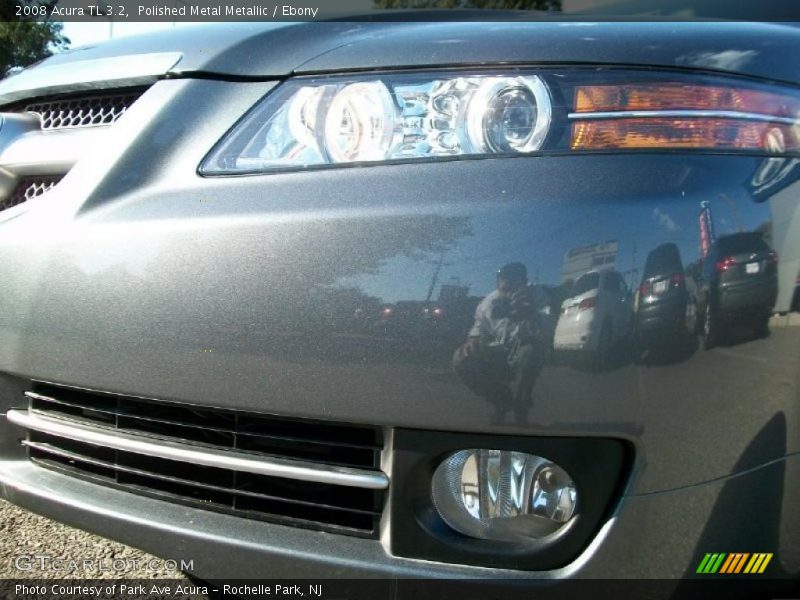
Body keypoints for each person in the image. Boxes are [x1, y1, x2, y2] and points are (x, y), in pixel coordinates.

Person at [453, 262, 546, 424]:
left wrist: (533, 314)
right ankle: (501, 399)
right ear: (498, 282)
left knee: (531, 352)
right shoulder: (488, 301)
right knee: (461, 357)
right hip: (497, 349)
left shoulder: (538, 295)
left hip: (524, 346)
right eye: (505, 288)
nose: (509, 294)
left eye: (515, 288)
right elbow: (479, 326)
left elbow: (550, 327)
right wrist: (473, 340)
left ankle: (521, 405)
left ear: (525, 282)